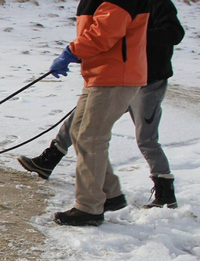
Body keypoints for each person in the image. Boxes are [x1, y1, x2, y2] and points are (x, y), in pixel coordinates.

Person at [19, 0, 185, 213]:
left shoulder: (159, 4)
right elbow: (103, 35)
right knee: (78, 124)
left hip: (146, 80)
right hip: (113, 73)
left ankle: (164, 192)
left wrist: (134, 37)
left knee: (144, 138)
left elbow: (173, 33)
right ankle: (51, 160)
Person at [38, 0, 151, 226]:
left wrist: (72, 51)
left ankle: (89, 208)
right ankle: (109, 193)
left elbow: (104, 33)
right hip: (101, 75)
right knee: (80, 132)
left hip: (115, 76)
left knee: (91, 137)